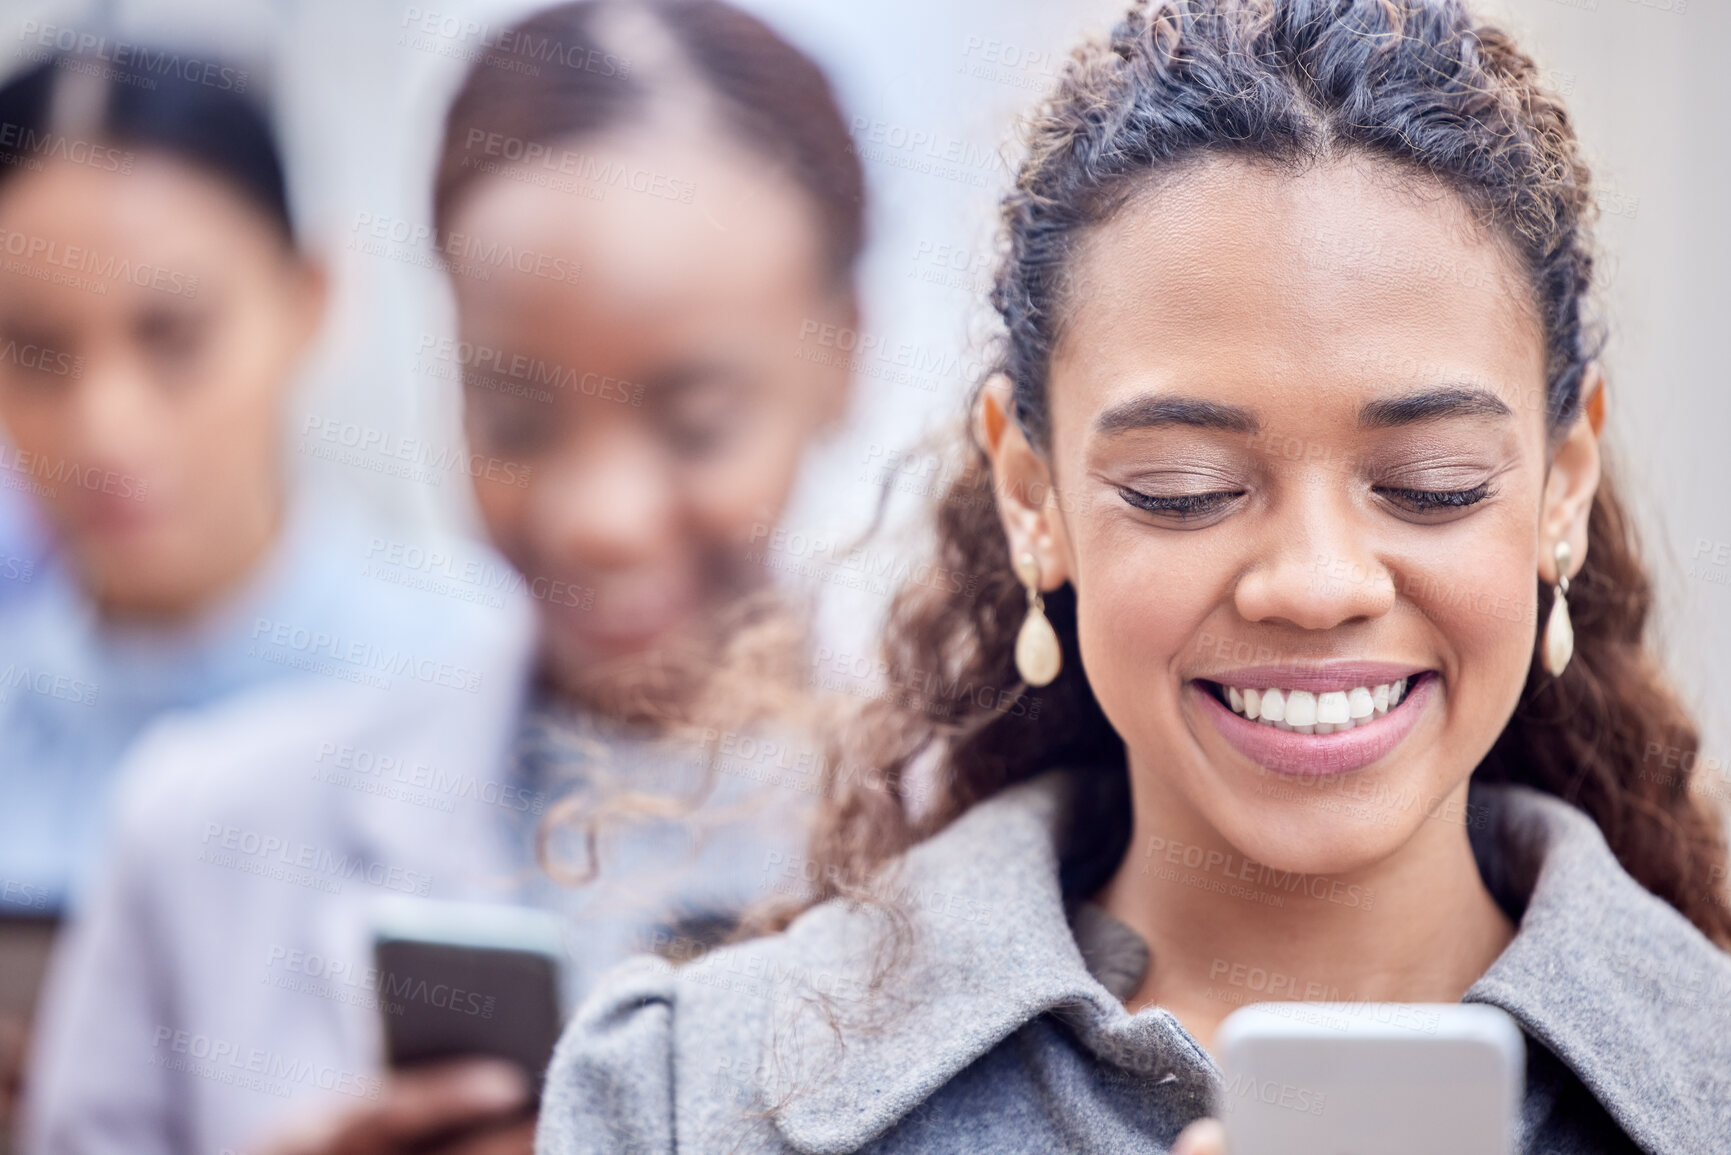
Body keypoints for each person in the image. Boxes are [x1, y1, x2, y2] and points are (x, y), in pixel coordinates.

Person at [536, 1, 1731, 1152]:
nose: (1315, 584)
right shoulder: (688, 1099)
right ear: (1030, 498)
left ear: (1560, 488)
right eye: (1184, 488)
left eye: (1430, 481)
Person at [23, 3, 863, 1153]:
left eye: (695, 423)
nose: (601, 521)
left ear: (844, 355)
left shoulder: (1044, 831)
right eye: (514, 418)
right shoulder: (199, 839)